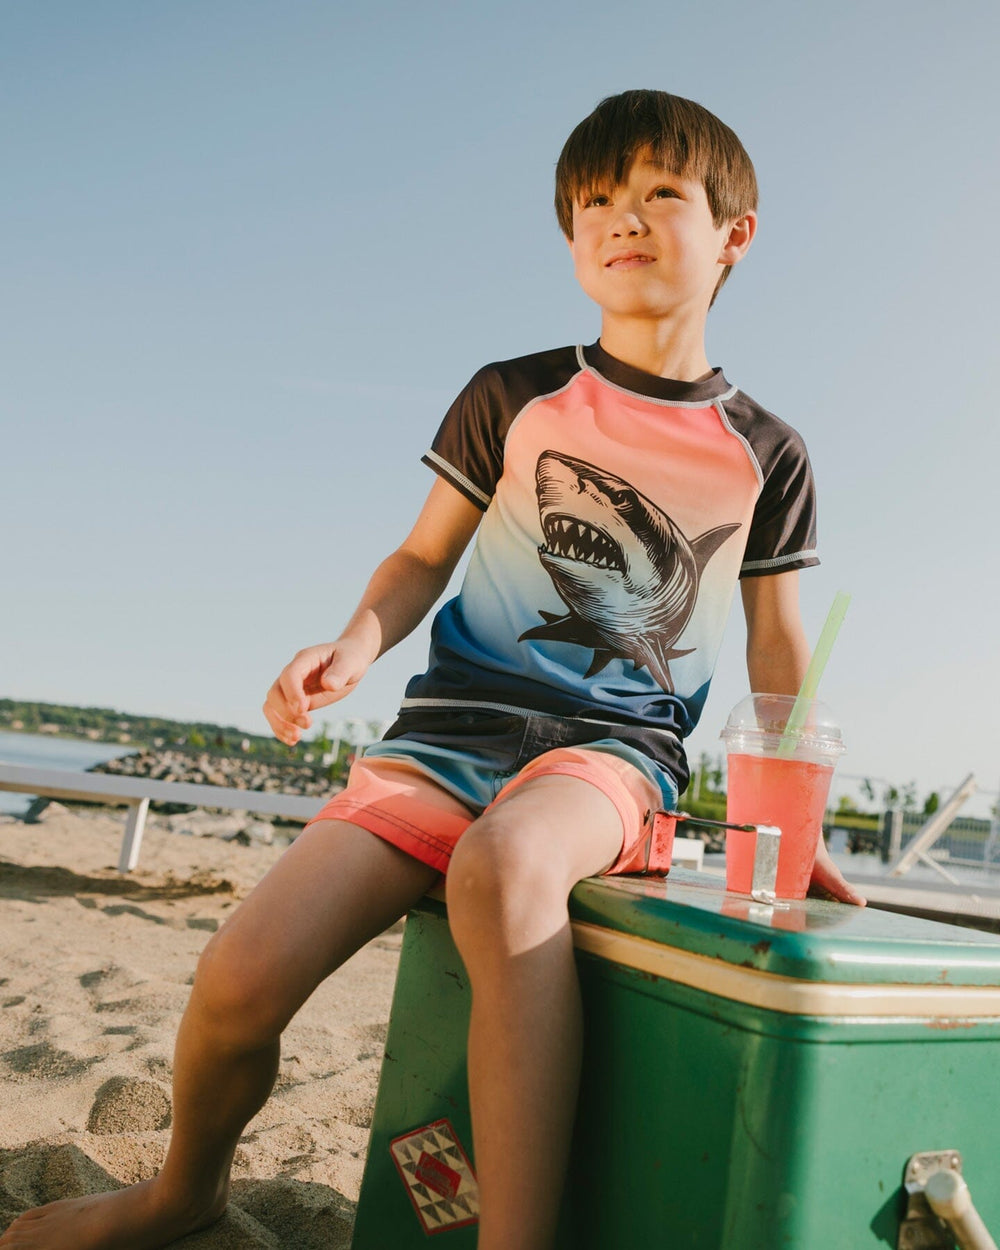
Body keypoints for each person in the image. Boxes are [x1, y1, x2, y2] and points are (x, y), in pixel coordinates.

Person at [1, 88, 864, 1250]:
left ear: (734, 234)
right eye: (594, 202)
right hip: (445, 735)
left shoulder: (766, 451)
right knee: (239, 976)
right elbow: (420, 558)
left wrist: (792, 826)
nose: (622, 218)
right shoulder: (512, 392)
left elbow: (776, 640)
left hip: (611, 751)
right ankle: (180, 1191)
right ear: (571, 237)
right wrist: (351, 642)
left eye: (661, 192)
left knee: (504, 869)